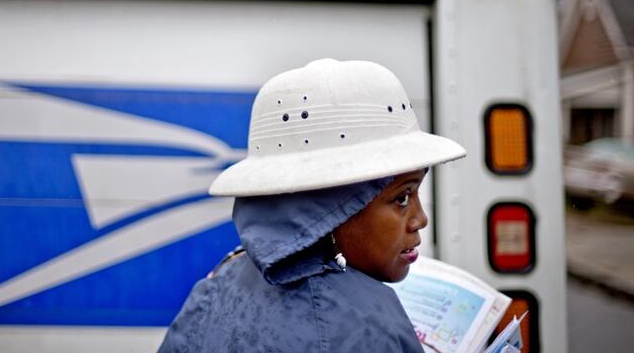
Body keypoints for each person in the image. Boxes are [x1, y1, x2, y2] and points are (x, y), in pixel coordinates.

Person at [158, 58, 466, 352]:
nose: (420, 219)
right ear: (332, 207)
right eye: (402, 197)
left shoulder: (212, 292)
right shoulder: (365, 324)